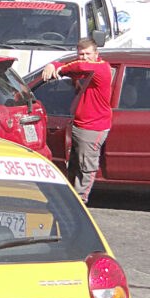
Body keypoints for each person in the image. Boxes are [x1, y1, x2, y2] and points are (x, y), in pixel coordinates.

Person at [41, 36, 113, 204]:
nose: (84, 57)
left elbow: (77, 66)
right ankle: (72, 198)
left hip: (93, 126)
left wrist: (57, 68)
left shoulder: (101, 68)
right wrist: (54, 65)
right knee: (74, 164)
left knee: (86, 166)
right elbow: (72, 67)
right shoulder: (86, 68)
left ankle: (80, 202)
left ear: (96, 54)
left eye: (88, 53)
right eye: (81, 54)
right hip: (78, 124)